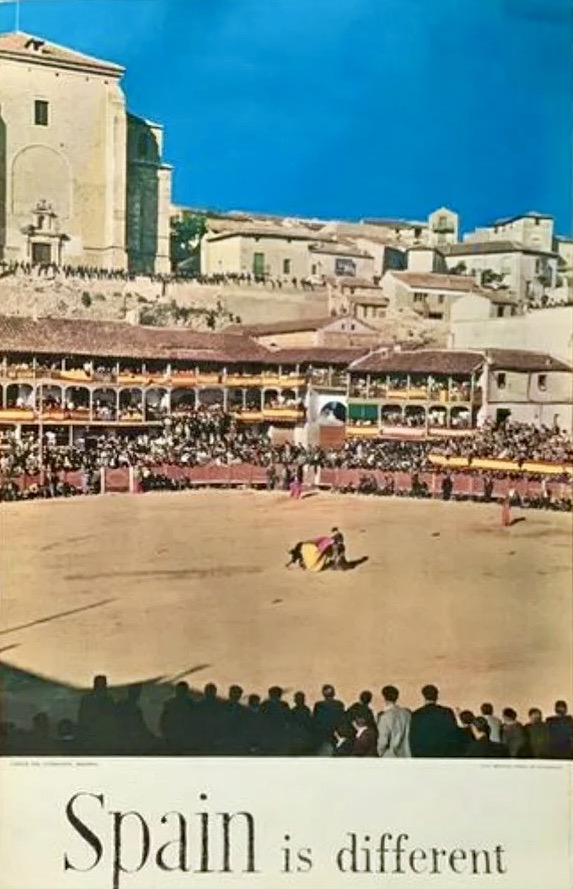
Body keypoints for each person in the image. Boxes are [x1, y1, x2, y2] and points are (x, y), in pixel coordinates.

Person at [409, 685, 459, 758]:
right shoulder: (447, 712)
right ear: (437, 696)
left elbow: (413, 738)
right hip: (444, 755)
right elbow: (453, 734)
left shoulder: (416, 714)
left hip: (424, 755)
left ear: (424, 696)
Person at [377, 685, 411, 758]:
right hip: (406, 755)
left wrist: (379, 753)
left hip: (390, 756)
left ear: (384, 698)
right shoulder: (406, 714)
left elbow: (383, 741)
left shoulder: (385, 717)